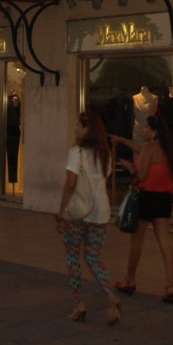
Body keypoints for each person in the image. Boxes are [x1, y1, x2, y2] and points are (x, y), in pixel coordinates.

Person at [55, 110, 120, 326]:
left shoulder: (77, 153)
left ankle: (79, 304)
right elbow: (105, 178)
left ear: (88, 130)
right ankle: (110, 294)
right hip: (100, 212)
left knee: (73, 258)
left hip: (78, 213)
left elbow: (70, 184)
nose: (75, 129)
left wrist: (61, 213)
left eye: (78, 126)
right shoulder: (105, 154)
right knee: (94, 256)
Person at [110, 114, 173, 303]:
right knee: (165, 243)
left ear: (154, 131)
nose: (143, 131)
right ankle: (170, 284)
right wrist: (122, 140)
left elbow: (141, 175)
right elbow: (139, 150)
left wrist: (128, 168)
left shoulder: (150, 149)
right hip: (163, 198)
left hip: (146, 197)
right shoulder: (165, 150)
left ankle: (129, 280)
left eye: (146, 128)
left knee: (136, 242)